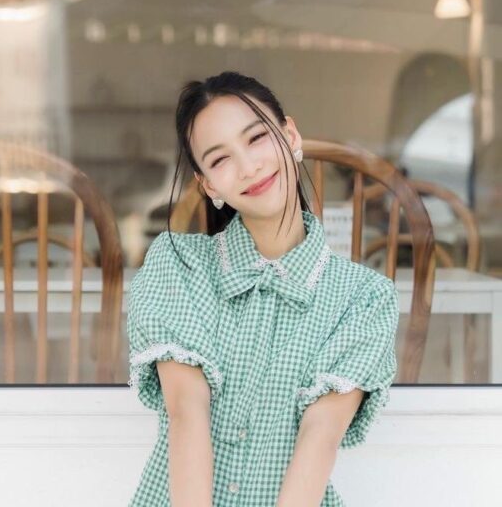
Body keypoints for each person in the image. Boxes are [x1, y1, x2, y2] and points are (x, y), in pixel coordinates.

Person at [126, 71, 400, 507]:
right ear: (208, 184)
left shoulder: (363, 300)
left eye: (256, 138)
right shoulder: (178, 264)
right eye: (220, 159)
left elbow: (320, 437)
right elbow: (186, 413)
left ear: (290, 135)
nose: (248, 166)